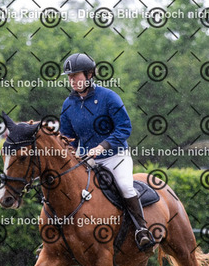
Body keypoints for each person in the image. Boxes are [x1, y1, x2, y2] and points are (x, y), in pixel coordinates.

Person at [59, 53, 153, 250]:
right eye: (69, 77)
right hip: (88, 160)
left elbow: (124, 128)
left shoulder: (108, 97)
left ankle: (141, 229)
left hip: (115, 157)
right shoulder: (68, 104)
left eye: (76, 75)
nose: (72, 80)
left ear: (89, 75)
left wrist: (102, 146)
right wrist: (69, 154)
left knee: (125, 186)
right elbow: (68, 137)